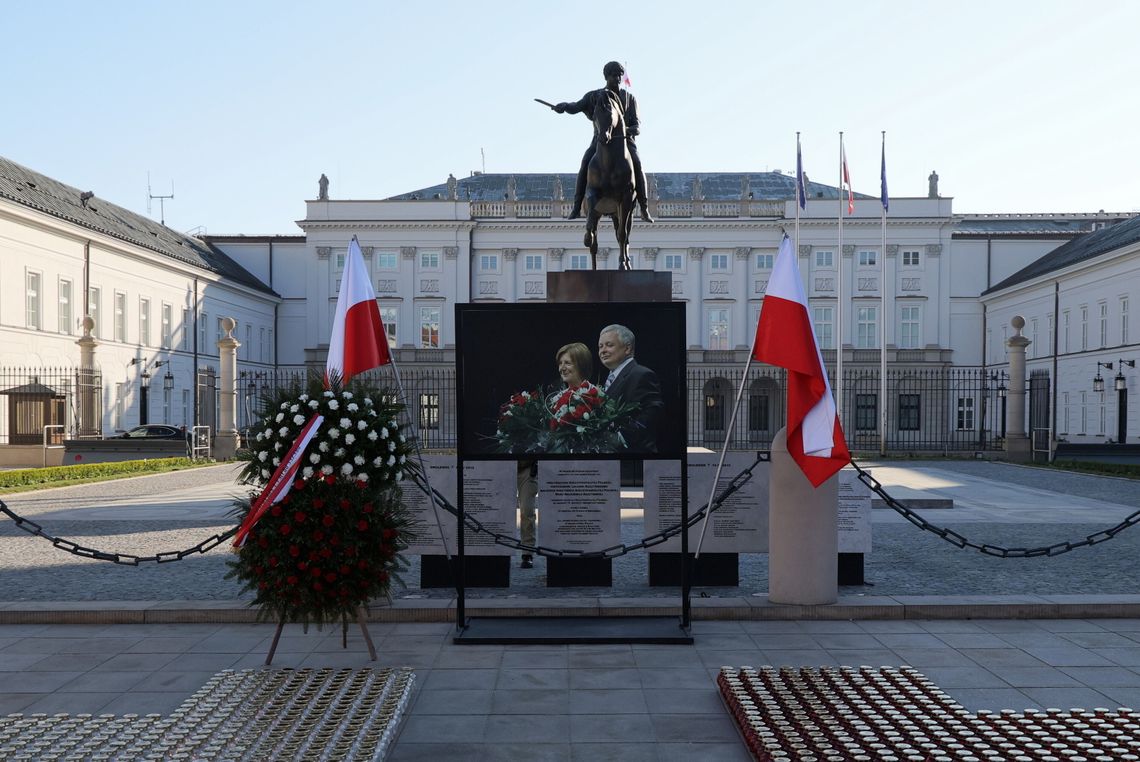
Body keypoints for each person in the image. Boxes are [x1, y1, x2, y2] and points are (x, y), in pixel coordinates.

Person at [553, 61, 654, 224]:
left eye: (620, 76)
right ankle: (577, 207)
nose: (618, 79)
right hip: (600, 141)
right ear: (606, 77)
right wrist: (564, 106)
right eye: (614, 76)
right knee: (585, 163)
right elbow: (576, 106)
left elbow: (637, 126)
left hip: (625, 143)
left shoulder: (629, 98)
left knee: (637, 164)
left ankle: (644, 207)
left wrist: (624, 131)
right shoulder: (595, 96)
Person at [597, 324, 663, 452]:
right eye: (600, 346)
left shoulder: (642, 374)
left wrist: (621, 437)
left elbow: (653, 412)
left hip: (635, 456)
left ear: (627, 349)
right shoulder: (608, 377)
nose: (603, 350)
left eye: (609, 345)